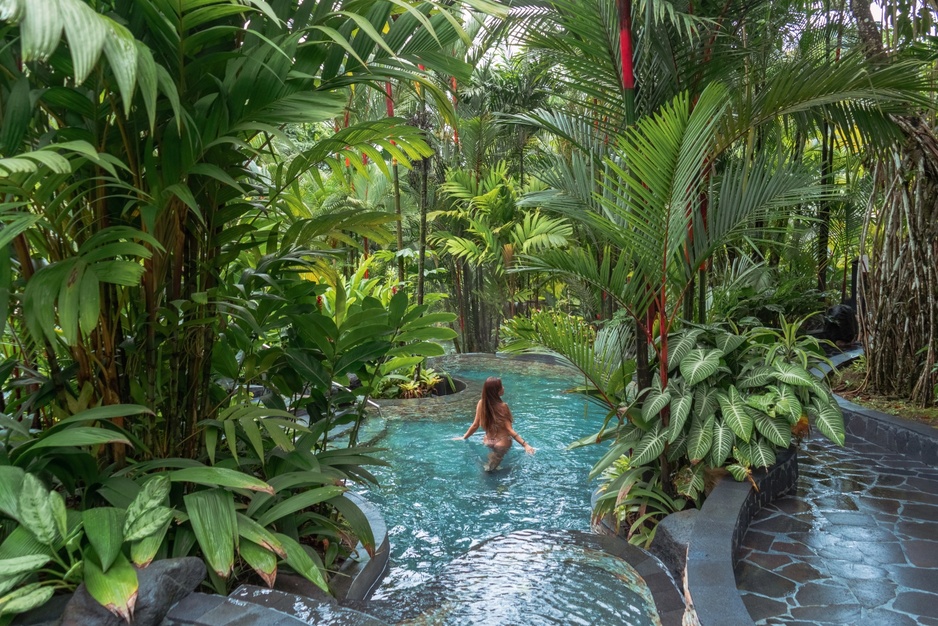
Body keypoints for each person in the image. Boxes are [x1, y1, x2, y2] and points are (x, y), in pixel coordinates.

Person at [455, 377, 535, 471]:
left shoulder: (481, 403)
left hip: (488, 440)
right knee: (491, 469)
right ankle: (489, 470)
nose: (503, 387)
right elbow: (509, 430)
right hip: (502, 442)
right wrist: (525, 445)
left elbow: (475, 425)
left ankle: (490, 466)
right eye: (501, 386)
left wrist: (464, 437)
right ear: (497, 391)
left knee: (492, 462)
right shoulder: (503, 406)